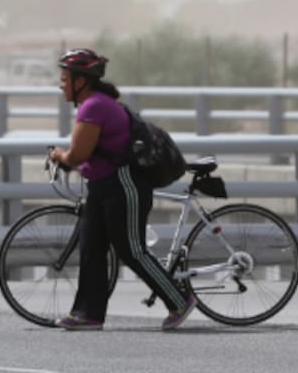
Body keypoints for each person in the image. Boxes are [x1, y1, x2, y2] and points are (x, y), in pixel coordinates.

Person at [47, 47, 196, 331]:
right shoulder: (95, 104)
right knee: (91, 248)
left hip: (123, 184)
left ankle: (179, 298)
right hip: (102, 186)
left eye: (65, 79)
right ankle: (88, 315)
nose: (61, 84)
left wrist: (58, 156)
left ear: (82, 81)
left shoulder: (94, 107)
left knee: (132, 250)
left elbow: (77, 155)